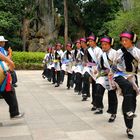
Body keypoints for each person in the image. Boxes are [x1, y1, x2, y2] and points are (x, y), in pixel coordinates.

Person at [113, 31, 140, 139]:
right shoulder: (119, 52)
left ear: (132, 40)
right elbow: (114, 66)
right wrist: (110, 75)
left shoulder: (137, 52)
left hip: (132, 76)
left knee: (131, 99)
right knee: (128, 88)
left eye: (126, 40)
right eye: (122, 40)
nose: (124, 42)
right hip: (119, 75)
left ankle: (129, 128)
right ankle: (128, 111)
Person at [94, 36, 118, 123]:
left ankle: (113, 113)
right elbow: (100, 66)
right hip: (104, 76)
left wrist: (111, 71)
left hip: (113, 76)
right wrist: (98, 70)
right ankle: (99, 107)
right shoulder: (102, 54)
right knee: (98, 88)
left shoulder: (115, 53)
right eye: (102, 45)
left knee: (112, 94)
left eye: (105, 44)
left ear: (110, 45)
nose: (103, 46)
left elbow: (118, 65)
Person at [0, 35, 24, 119]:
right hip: (2, 74)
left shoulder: (2, 49)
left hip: (3, 74)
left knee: (9, 91)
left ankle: (14, 113)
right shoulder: (1, 49)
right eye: (2, 42)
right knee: (10, 91)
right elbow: (5, 58)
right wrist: (9, 58)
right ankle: (14, 113)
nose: (3, 43)